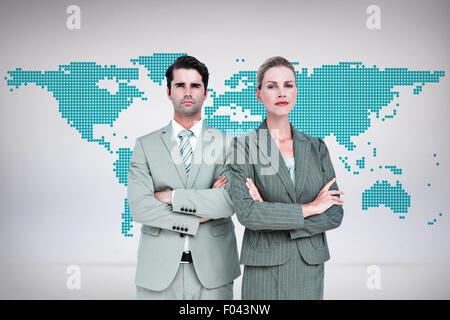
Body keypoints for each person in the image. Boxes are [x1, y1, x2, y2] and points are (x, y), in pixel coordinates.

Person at [228, 56, 344, 300]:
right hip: (264, 268)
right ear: (259, 94)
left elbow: (334, 214)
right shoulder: (243, 147)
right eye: (272, 86)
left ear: (296, 91)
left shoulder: (316, 147)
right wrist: (311, 208)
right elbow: (248, 214)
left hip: (308, 266)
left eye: (288, 85)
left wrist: (271, 213)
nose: (281, 92)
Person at [128, 55, 240, 300]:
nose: (187, 92)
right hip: (157, 272)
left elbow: (228, 202)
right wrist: (200, 215)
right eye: (180, 85)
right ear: (169, 92)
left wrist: (170, 197)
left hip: (215, 271)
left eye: (195, 85)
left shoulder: (228, 144)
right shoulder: (145, 145)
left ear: (206, 92)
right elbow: (140, 208)